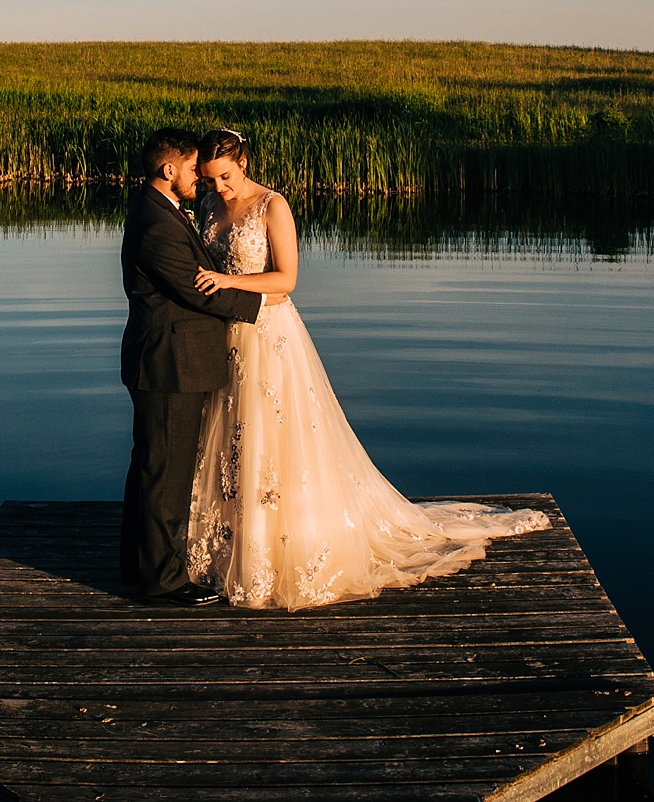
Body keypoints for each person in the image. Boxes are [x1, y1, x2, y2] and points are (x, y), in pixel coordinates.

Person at [186, 127, 548, 609]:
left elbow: (288, 279)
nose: (219, 189)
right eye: (210, 181)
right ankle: (233, 543)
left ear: (243, 163)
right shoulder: (208, 207)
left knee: (272, 439)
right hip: (223, 336)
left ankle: (280, 546)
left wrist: (227, 280)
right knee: (230, 438)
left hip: (268, 336)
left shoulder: (273, 206)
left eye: (225, 178)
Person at [119, 127, 277, 606]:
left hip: (167, 359)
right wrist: (264, 302)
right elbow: (194, 288)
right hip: (170, 363)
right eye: (192, 169)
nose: (199, 177)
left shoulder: (160, 209)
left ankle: (137, 562)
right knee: (164, 474)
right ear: (169, 170)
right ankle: (163, 581)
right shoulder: (157, 224)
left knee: (150, 467)